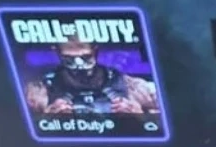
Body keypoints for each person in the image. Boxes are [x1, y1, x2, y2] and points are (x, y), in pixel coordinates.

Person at [24, 39, 158, 118]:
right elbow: (18, 134)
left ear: (95, 51)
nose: (79, 66)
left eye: (85, 57)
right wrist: (45, 121)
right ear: (57, 52)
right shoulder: (36, 93)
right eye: (69, 59)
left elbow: (166, 127)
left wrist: (141, 117)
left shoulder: (137, 88)